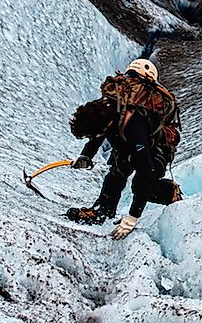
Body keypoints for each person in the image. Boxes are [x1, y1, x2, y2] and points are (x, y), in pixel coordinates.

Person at [66, 58, 180, 240]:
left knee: (143, 183)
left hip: (155, 147)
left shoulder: (133, 121)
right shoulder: (108, 107)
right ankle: (103, 211)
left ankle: (169, 192)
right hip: (128, 144)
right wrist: (85, 155)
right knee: (116, 174)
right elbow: (98, 131)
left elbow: (146, 170)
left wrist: (133, 217)